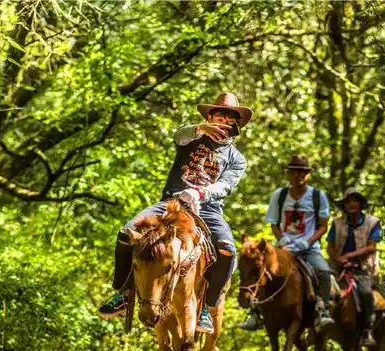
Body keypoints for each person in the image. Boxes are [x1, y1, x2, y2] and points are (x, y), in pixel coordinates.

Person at [98, 92, 252, 334]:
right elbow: (179, 135)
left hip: (208, 208)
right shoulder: (192, 138)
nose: (223, 120)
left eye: (229, 117)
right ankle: (124, 292)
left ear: (236, 124)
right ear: (210, 116)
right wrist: (199, 128)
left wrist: (200, 194)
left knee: (228, 250)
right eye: (219, 114)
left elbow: (226, 185)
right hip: (171, 202)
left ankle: (206, 307)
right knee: (126, 233)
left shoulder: (237, 159)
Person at [237, 154, 334, 330]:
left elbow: (323, 226)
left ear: (308, 174)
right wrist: (282, 239)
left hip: (309, 248)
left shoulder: (318, 197)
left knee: (323, 271)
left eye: (302, 172)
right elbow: (274, 223)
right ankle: (255, 313)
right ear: (289, 174)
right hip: (283, 247)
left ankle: (322, 310)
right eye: (294, 172)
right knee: (262, 270)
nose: (298, 176)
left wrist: (308, 241)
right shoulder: (279, 195)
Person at [326, 187, 381, 344]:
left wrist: (350, 256)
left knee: (365, 293)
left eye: (355, 201)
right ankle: (317, 325)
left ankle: (367, 330)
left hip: (362, 268)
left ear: (360, 204)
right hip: (337, 267)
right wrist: (338, 258)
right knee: (320, 287)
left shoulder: (372, 223)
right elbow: (329, 247)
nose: (351, 204)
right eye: (348, 201)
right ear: (344, 205)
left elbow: (372, 247)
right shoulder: (337, 223)